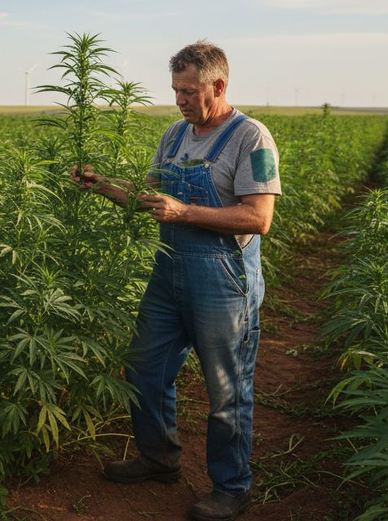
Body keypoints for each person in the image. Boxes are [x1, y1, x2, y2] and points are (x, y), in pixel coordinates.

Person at [71, 41, 280, 521]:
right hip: (169, 273)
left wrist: (185, 211)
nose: (181, 100)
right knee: (144, 369)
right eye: (176, 91)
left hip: (223, 281)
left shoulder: (252, 138)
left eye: (189, 91)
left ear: (218, 86)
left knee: (226, 389)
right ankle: (159, 458)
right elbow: (149, 199)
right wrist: (101, 184)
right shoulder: (173, 135)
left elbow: (259, 217)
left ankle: (231, 486)